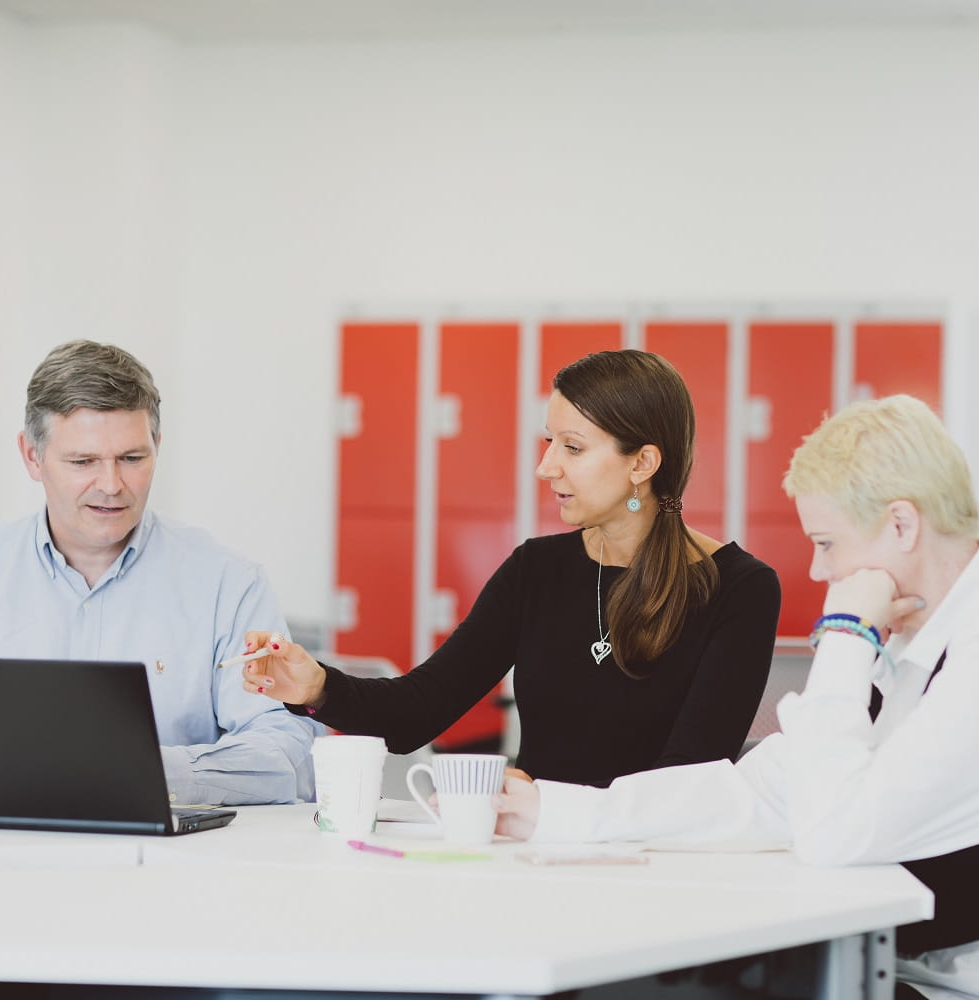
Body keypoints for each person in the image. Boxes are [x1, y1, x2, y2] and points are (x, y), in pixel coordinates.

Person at [493, 393, 979, 1000]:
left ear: (902, 525)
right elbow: (761, 789)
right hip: (890, 966)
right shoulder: (916, 650)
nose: (817, 572)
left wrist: (848, 637)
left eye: (826, 543)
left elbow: (836, 832)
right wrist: (555, 811)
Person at [242, 350, 780, 788]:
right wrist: (316, 688)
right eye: (551, 442)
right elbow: (416, 712)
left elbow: (689, 781)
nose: (547, 467)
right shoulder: (536, 569)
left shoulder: (739, 589)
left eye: (572, 447)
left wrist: (556, 814)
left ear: (642, 463)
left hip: (650, 873)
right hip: (535, 857)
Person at [0, 340, 318, 805]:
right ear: (32, 457)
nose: (112, 485)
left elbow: (289, 754)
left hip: (171, 866)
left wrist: (150, 771)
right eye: (83, 462)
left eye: (132, 459)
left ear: (157, 446)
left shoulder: (228, 583)